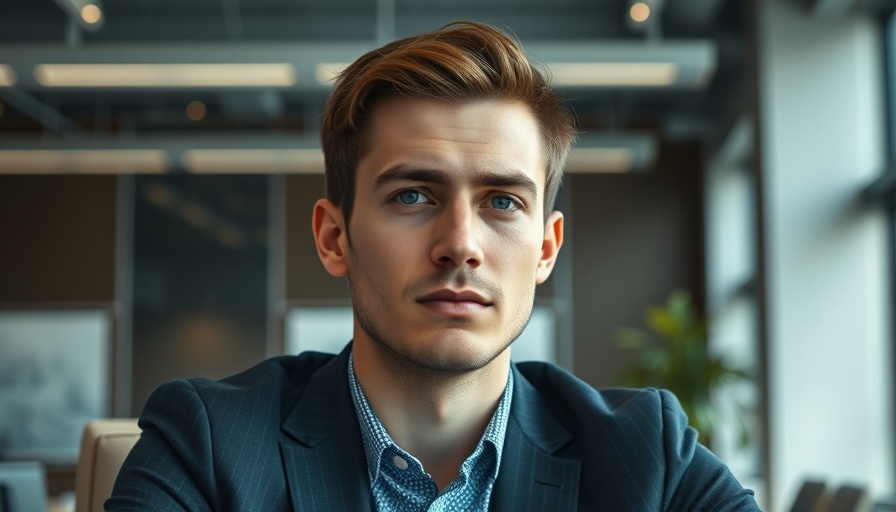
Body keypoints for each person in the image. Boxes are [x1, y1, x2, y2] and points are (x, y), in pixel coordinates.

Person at [107, 21, 761, 511]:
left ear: (545, 249)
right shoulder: (209, 444)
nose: (460, 243)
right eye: (413, 196)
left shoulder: (647, 456)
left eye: (502, 201)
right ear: (335, 238)